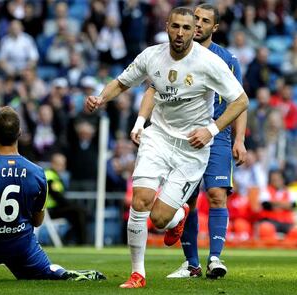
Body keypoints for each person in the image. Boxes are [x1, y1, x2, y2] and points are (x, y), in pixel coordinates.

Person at [85, 7, 248, 288]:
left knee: (160, 219)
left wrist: (211, 130)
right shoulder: (151, 56)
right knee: (140, 202)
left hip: (191, 149)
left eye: (187, 28)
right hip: (157, 138)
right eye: (176, 27)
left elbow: (241, 100)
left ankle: (179, 217)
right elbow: (123, 82)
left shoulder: (210, 62)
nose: (181, 33)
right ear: (167, 26)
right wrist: (101, 98)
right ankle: (138, 273)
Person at [131, 4, 247, 280]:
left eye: (204, 21)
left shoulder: (226, 59)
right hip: (179, 135)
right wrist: (141, 121)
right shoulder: (172, 53)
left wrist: (239, 139)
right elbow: (153, 90)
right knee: (188, 202)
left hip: (216, 133)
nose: (197, 24)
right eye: (194, 18)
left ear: (214, 28)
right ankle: (191, 263)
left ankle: (215, 258)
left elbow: (241, 101)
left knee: (217, 194)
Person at [0, 106, 105, 282]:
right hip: (21, 243)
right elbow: (38, 221)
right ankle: (61, 272)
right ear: (19, 133)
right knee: (45, 271)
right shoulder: (38, 173)